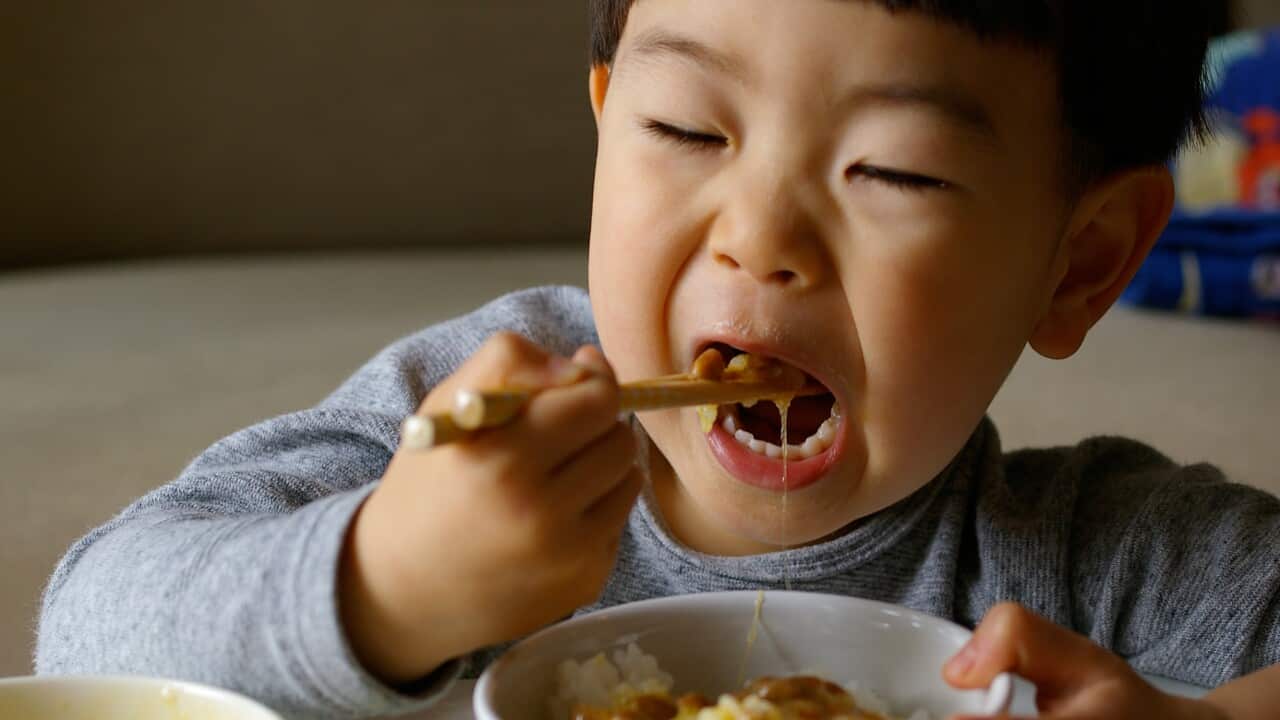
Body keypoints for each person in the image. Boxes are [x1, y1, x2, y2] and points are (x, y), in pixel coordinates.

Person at [36, 1, 1280, 718]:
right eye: (686, 130)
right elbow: (84, 636)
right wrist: (386, 583)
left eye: (892, 171)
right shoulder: (465, 416)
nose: (759, 240)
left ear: (1077, 265)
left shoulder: (1090, 560)